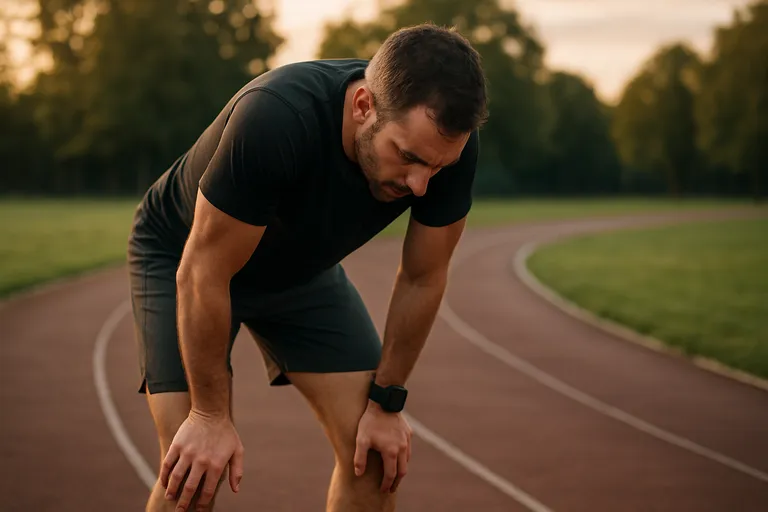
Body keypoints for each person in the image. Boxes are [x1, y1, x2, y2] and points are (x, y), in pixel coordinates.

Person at [127, 22, 488, 512]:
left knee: (375, 459)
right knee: (195, 473)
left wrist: (387, 402)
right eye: (406, 157)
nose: (421, 184)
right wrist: (209, 415)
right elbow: (204, 272)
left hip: (298, 271)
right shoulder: (277, 117)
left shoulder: (445, 150)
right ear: (363, 106)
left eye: (437, 168)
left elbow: (425, 275)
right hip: (186, 259)